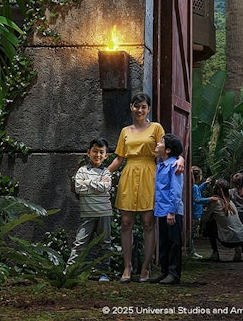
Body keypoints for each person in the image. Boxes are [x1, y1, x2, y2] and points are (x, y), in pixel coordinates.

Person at [109, 92, 164, 283]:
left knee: (148, 223)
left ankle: (145, 267)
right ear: (131, 108)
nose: (140, 110)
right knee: (126, 223)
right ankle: (127, 266)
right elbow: (119, 158)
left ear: (148, 109)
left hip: (150, 173)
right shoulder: (125, 131)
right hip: (129, 173)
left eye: (143, 106)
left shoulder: (156, 128)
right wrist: (103, 173)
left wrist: (179, 159)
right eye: (136, 106)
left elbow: (166, 152)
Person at [67, 138, 118, 281]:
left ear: (106, 155)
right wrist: (97, 185)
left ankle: (104, 273)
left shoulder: (106, 172)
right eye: (95, 151)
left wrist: (87, 183)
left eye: (101, 152)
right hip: (87, 213)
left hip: (104, 213)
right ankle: (70, 272)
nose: (98, 155)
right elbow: (78, 187)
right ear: (88, 153)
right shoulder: (82, 170)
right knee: (80, 243)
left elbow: (106, 187)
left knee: (105, 243)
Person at [153, 133, 185, 284]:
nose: (158, 143)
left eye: (161, 142)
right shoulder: (160, 165)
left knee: (174, 243)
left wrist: (172, 211)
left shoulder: (174, 166)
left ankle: (174, 273)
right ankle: (164, 271)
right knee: (164, 242)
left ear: (168, 149)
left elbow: (176, 190)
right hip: (161, 209)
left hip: (172, 211)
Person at [201, 178, 243, 262]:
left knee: (209, 223)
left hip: (229, 241)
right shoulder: (230, 202)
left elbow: (204, 218)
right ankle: (239, 247)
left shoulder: (215, 202)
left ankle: (215, 252)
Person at [189, 166, 210, 259]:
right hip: (195, 214)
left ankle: (192, 251)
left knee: (191, 234)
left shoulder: (192, 186)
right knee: (191, 235)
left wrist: (205, 184)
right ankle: (191, 252)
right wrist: (209, 199)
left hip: (193, 213)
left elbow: (196, 192)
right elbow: (197, 199)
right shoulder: (194, 186)